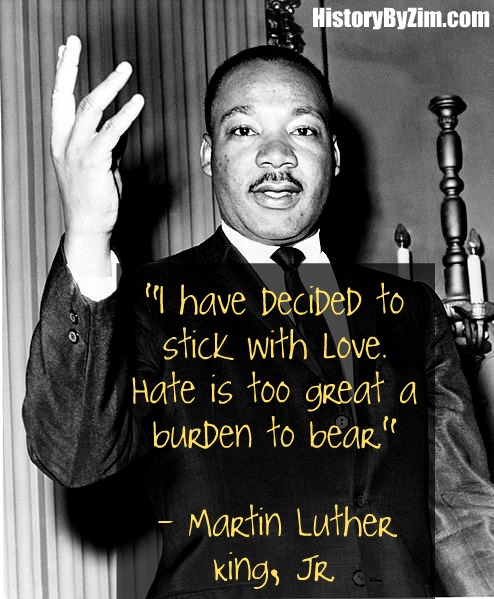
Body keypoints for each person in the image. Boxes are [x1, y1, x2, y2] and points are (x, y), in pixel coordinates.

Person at [23, 35, 494, 598]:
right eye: (244, 130)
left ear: (335, 155)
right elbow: (74, 454)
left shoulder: (413, 310)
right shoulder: (145, 301)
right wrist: (86, 231)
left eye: (303, 129)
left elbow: (460, 510)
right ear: (209, 154)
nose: (277, 156)